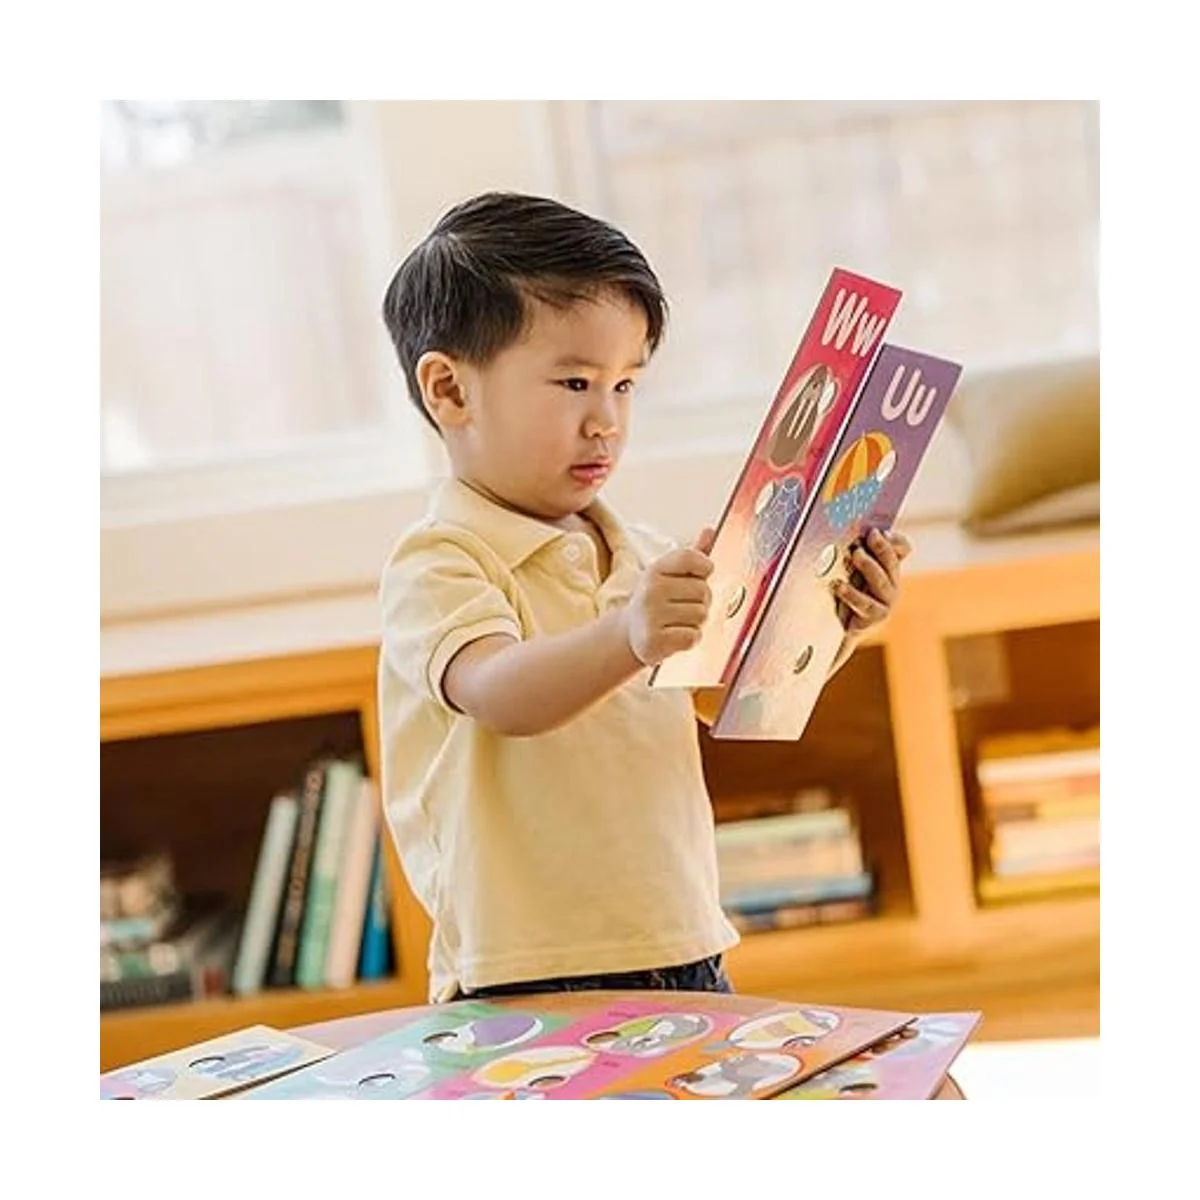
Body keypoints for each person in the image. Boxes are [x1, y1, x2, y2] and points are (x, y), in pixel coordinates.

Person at [376, 192, 911, 1002]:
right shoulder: (440, 560)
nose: (607, 421)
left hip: (684, 943)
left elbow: (729, 699)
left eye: (626, 385)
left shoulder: (644, 554)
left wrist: (836, 618)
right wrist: (630, 634)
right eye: (575, 382)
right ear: (450, 391)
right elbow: (499, 693)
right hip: (525, 973)